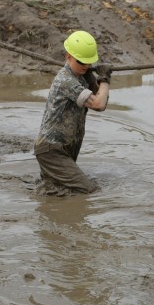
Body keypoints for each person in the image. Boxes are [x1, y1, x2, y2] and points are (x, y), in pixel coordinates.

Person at [33, 30, 113, 194]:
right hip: (52, 149)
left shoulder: (81, 77)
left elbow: (101, 100)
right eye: (81, 61)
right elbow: (98, 104)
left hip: (66, 146)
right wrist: (104, 78)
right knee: (88, 189)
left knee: (56, 190)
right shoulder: (66, 80)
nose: (85, 66)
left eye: (88, 62)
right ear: (68, 55)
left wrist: (93, 79)